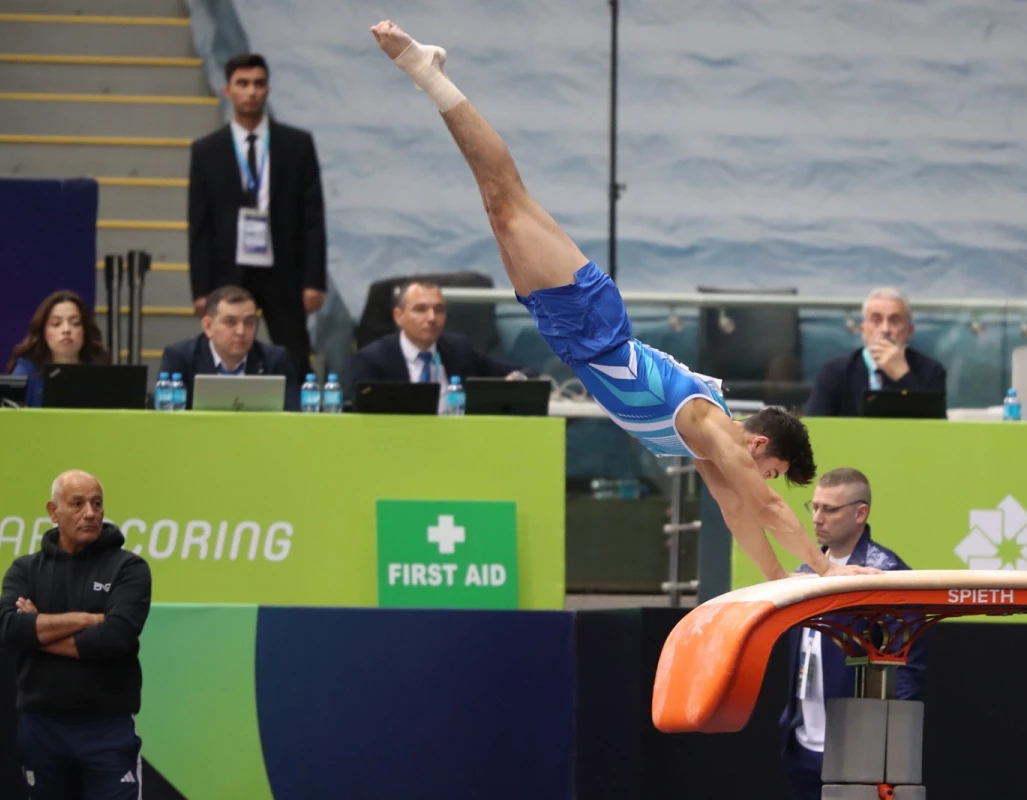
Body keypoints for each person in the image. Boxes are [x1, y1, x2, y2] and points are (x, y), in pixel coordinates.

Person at [370, 21, 878, 581]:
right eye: (773, 469)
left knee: (499, 203)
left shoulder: (707, 452)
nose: (766, 479)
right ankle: (428, 72)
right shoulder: (712, 426)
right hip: (595, 322)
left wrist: (775, 584)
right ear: (759, 444)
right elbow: (767, 507)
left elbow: (738, 513)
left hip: (571, 337)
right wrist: (825, 572)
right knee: (504, 197)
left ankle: (432, 77)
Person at [0, 470, 152, 798]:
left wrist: (39, 632)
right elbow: (10, 627)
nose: (90, 513)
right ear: (53, 511)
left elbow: (116, 638)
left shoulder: (129, 568)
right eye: (77, 504)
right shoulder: (25, 569)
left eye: (97, 504)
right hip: (42, 728)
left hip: (106, 728)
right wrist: (86, 619)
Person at [778, 468, 925, 799]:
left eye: (829, 509)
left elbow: (907, 668)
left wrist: (884, 744)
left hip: (858, 745)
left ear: (861, 513)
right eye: (813, 507)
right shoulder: (805, 572)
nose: (817, 518)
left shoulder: (887, 574)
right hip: (802, 739)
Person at [188, 52, 327, 380]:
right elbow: (200, 224)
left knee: (294, 353)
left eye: (259, 84)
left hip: (284, 267)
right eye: (243, 83)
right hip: (228, 267)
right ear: (228, 90)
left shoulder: (296, 144)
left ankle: (300, 418)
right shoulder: (207, 150)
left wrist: (313, 280)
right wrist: (201, 288)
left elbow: (313, 217)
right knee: (225, 348)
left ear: (268, 89)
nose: (251, 91)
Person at [351, 279, 529, 408]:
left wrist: (515, 379)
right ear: (399, 316)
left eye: (439, 310)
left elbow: (520, 373)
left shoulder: (458, 350)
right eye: (420, 310)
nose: (432, 318)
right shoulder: (373, 360)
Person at [804, 288, 947, 418]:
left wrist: (903, 377)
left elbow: (937, 430)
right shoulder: (835, 371)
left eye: (894, 321)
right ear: (863, 330)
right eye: (876, 320)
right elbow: (813, 428)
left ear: (910, 331)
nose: (885, 329)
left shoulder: (932, 371)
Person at [159, 284, 301, 411]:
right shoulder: (180, 357)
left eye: (249, 322)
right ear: (208, 326)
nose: (241, 331)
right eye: (230, 322)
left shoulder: (274, 359)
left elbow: (294, 416)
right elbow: (165, 419)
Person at [5, 290, 110, 408]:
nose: (66, 330)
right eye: (56, 324)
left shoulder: (100, 372)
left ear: (85, 330)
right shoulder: (27, 370)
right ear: (43, 331)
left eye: (75, 323)